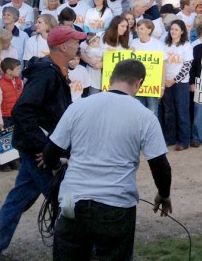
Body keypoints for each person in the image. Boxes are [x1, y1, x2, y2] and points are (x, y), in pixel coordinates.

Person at [43, 58, 172, 260]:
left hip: (74, 200)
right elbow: (160, 165)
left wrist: (58, 164)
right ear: (138, 83)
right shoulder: (145, 116)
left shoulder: (78, 107)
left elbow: (50, 152)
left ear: (111, 78)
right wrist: (164, 194)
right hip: (116, 204)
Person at [0, 25, 84, 258]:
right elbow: (23, 110)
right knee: (64, 199)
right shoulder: (46, 73)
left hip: (36, 147)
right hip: (39, 151)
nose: (78, 46)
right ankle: (82, 249)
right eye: (75, 42)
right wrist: (45, 148)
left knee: (18, 199)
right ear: (63, 46)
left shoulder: (54, 70)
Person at [163, 20, 193, 151]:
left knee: (182, 112)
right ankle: (170, 138)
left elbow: (187, 66)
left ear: (182, 31)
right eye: (172, 29)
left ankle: (184, 140)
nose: (173, 31)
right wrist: (164, 80)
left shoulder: (186, 45)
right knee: (169, 112)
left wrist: (174, 80)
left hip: (180, 83)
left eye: (176, 29)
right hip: (166, 81)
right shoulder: (164, 44)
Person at [0, 57, 23, 172]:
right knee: (4, 140)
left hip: (16, 116)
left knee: (15, 139)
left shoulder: (19, 82)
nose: (20, 70)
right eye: (17, 68)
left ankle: (15, 161)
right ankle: (3, 163)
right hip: (5, 117)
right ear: (9, 71)